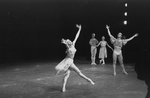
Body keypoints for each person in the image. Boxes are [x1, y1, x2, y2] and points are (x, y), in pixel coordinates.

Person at [55, 24, 95, 92]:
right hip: (68, 61)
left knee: (67, 75)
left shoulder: (73, 44)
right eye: (69, 42)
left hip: (70, 61)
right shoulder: (68, 48)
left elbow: (77, 36)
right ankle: (89, 80)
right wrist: (65, 43)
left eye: (70, 41)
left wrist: (79, 29)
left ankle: (63, 88)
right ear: (68, 44)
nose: (70, 41)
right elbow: (67, 46)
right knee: (78, 72)